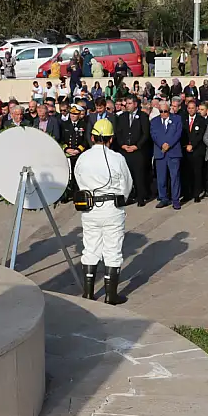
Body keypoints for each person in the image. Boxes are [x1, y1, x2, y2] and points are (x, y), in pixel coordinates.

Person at [75, 119, 133, 305]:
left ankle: (89, 293)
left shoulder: (83, 158)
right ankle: (111, 296)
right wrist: (119, 199)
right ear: (111, 138)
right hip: (112, 208)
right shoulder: (117, 158)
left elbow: (78, 178)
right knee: (112, 250)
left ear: (92, 137)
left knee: (90, 248)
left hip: (89, 208)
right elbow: (127, 184)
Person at [114, 95, 150, 206]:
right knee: (125, 175)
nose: (127, 106)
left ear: (135, 104)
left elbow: (145, 134)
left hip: (137, 151)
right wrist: (122, 145)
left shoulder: (143, 116)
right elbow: (118, 133)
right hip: (125, 150)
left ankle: (140, 198)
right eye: (126, 104)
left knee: (139, 175)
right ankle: (127, 197)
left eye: (129, 103)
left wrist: (137, 146)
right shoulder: (122, 117)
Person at [151, 101, 182, 209]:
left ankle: (175, 200)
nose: (163, 114)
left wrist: (169, 144)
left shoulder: (177, 119)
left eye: (165, 111)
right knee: (161, 178)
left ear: (169, 110)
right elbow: (153, 134)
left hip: (173, 152)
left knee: (175, 177)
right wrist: (162, 144)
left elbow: (178, 133)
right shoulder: (154, 121)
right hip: (160, 152)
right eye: (161, 111)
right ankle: (163, 198)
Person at [61, 104, 89, 200]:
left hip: (78, 154)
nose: (73, 116)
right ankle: (67, 194)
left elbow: (86, 140)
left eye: (75, 114)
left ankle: (77, 194)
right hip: (68, 154)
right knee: (67, 175)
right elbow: (61, 139)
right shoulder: (65, 124)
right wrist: (66, 149)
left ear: (79, 115)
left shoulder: (84, 125)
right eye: (72, 114)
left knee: (77, 175)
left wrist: (78, 150)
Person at [181, 100, 206, 203]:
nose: (191, 110)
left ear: (196, 108)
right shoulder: (183, 119)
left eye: (193, 108)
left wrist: (193, 145)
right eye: (189, 108)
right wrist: (186, 145)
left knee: (197, 173)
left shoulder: (201, 120)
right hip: (185, 150)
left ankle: (196, 194)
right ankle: (187, 194)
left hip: (197, 150)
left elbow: (200, 134)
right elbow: (181, 133)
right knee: (186, 173)